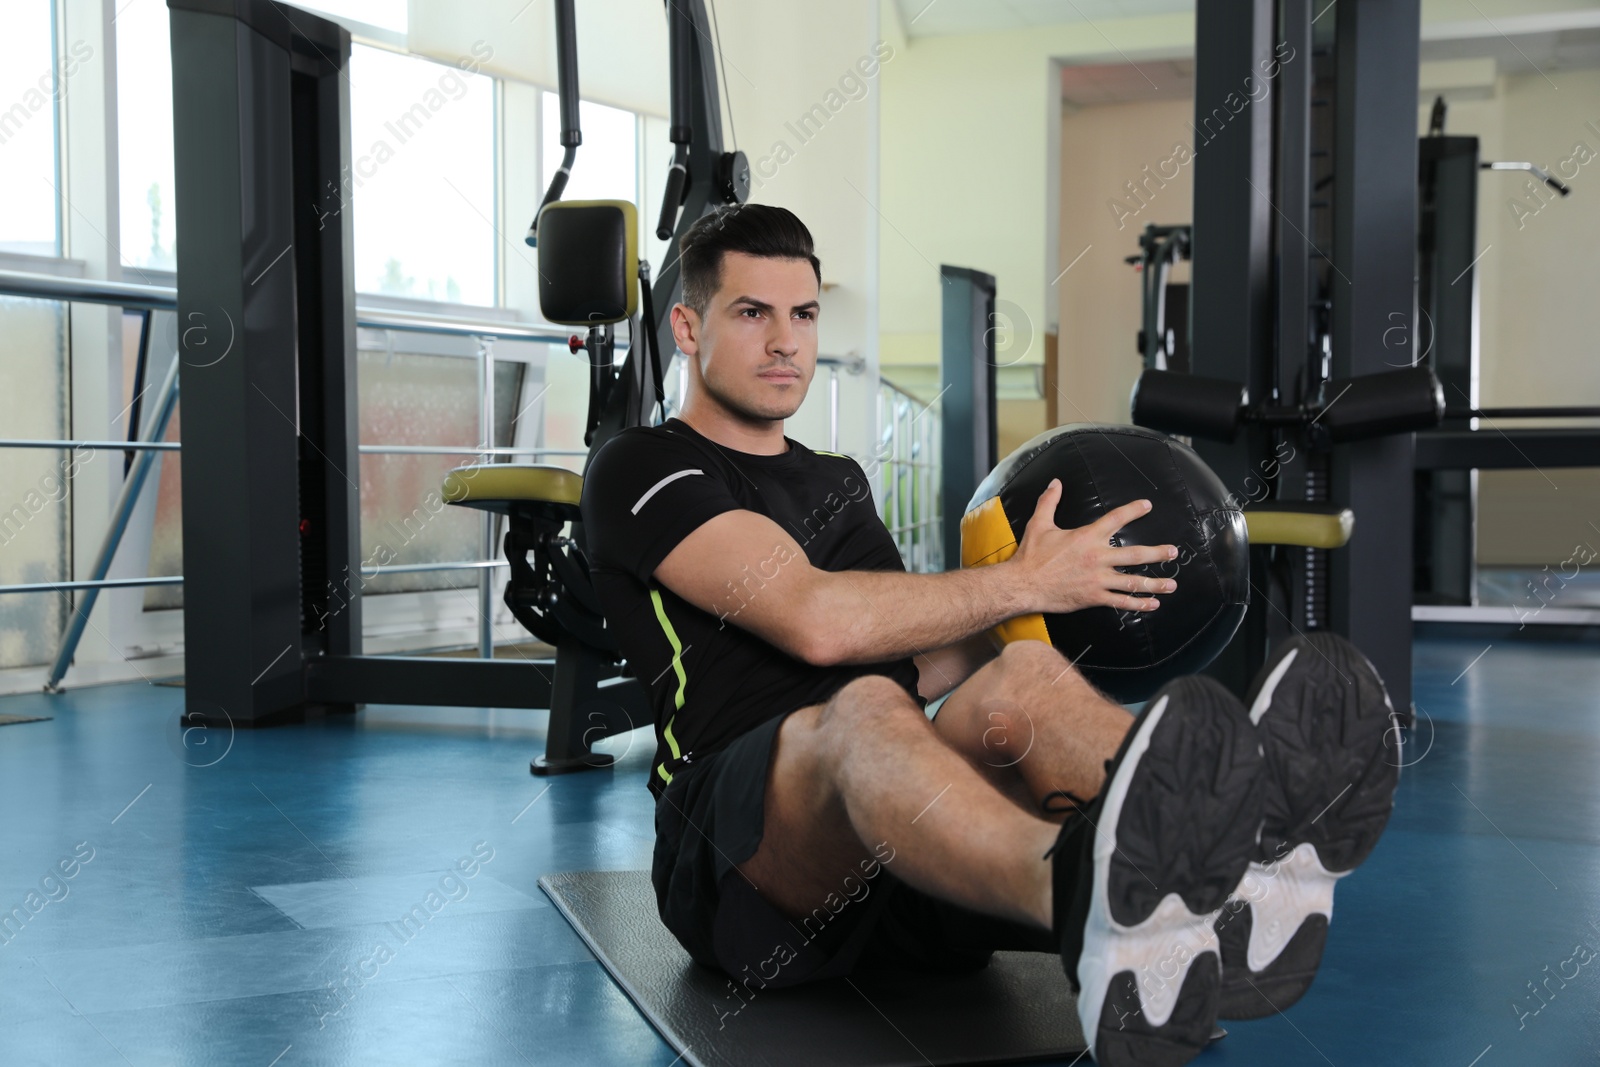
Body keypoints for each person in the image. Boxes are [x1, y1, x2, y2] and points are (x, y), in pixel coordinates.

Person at [579, 204, 1398, 1065]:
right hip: (742, 868)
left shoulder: (838, 482)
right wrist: (1021, 580)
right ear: (687, 324)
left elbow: (915, 661)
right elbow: (816, 620)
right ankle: (1087, 895)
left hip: (909, 858)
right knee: (861, 710)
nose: (787, 341)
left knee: (1021, 678)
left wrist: (1067, 590)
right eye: (754, 313)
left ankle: (1251, 863)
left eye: (805, 314)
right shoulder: (643, 466)